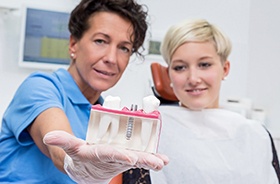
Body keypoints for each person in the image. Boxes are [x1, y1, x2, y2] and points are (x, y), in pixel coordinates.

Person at [0, 0, 169, 183]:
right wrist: (76, 164)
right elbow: (58, 148)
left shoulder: (104, 113)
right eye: (100, 41)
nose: (112, 58)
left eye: (124, 48)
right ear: (73, 44)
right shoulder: (40, 87)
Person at [150, 18, 280, 184]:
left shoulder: (255, 135)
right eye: (180, 67)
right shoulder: (150, 130)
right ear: (169, 74)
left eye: (204, 64)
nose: (193, 78)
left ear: (225, 69)